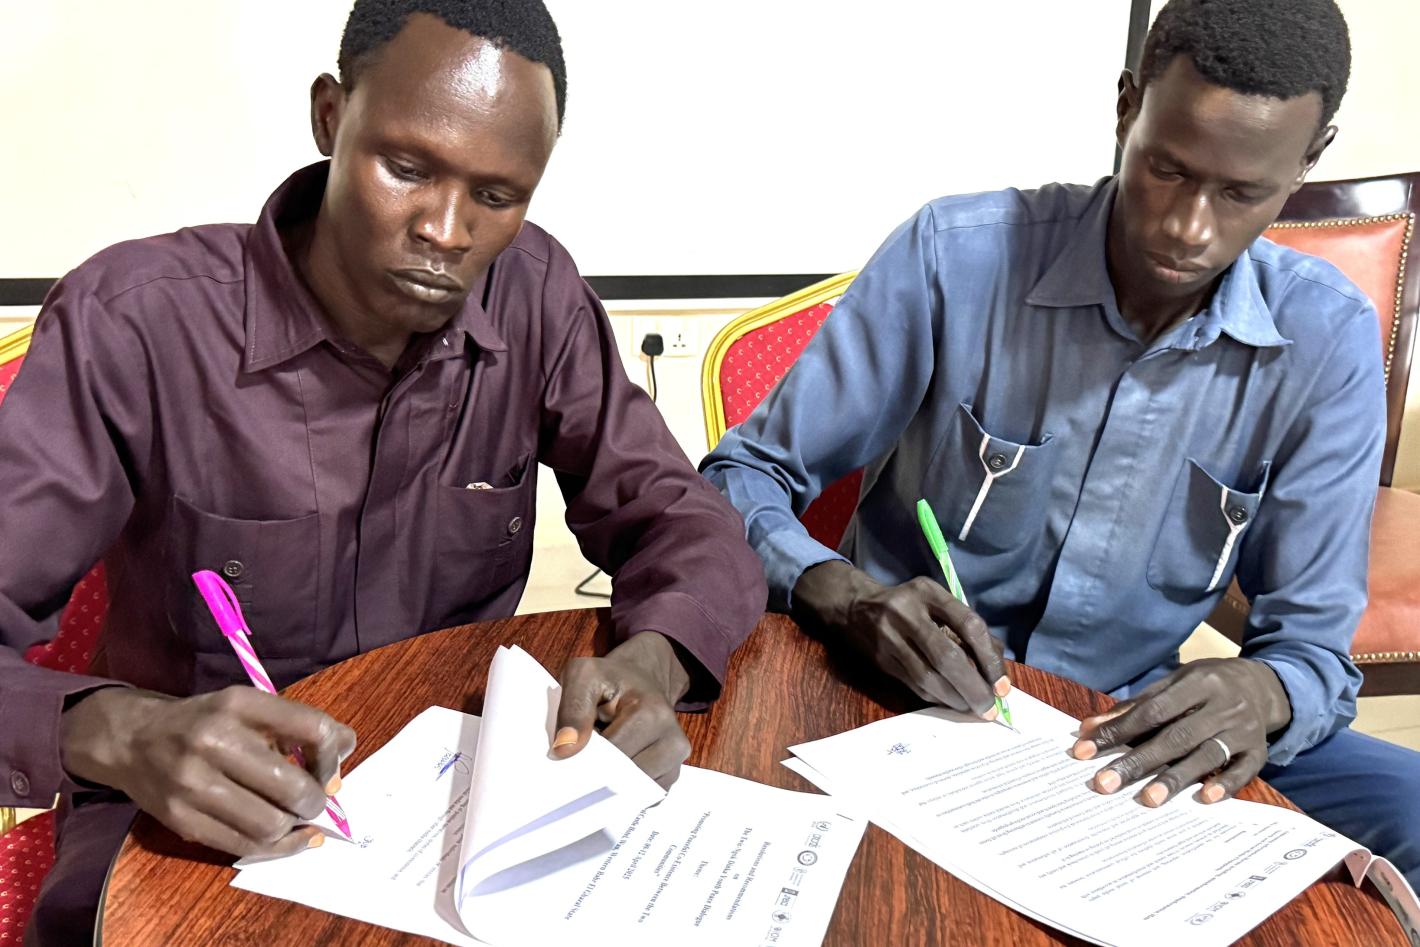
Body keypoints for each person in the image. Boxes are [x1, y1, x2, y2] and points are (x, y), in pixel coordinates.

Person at [0, 2, 766, 942]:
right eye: (405, 168)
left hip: (457, 817)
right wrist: (119, 731)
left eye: (497, 196)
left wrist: (653, 659)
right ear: (330, 116)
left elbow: (685, 521)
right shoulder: (137, 325)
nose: (447, 230)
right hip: (184, 827)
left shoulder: (535, 299)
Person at [703, 0, 1420, 891]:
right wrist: (845, 597)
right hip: (897, 697)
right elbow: (738, 478)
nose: (1189, 228)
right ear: (1127, 108)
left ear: (1308, 159)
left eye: (1242, 194)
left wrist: (1264, 691)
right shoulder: (954, 259)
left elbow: (1311, 651)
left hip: (1127, 724)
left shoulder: (1324, 341)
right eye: (1167, 168)